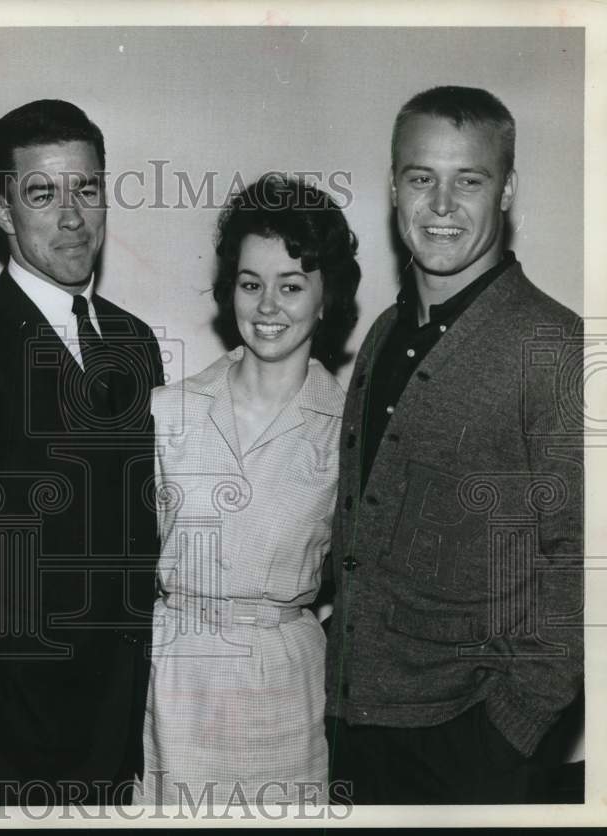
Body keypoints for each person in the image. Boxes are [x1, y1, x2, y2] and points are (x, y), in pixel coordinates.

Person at [324, 85, 584, 804]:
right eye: (421, 178)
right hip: (356, 728)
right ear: (392, 189)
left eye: (468, 179)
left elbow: (583, 557)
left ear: (507, 192)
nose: (441, 206)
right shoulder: (382, 332)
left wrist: (513, 724)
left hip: (467, 744)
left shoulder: (553, 345)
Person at [0, 99, 163, 806]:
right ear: (2, 209)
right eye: (43, 194)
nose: (72, 217)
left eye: (87, 189)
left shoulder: (136, 344)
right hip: (4, 739)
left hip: (122, 724)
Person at [141, 175, 360, 806]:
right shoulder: (169, 411)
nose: (268, 306)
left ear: (326, 299)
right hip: (177, 681)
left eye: (292, 286)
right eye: (250, 283)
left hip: (286, 688)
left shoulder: (348, 430)